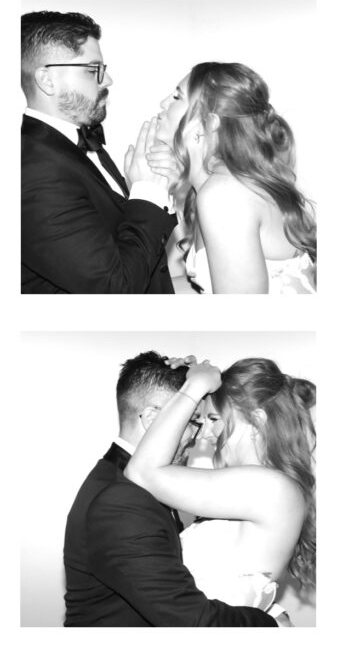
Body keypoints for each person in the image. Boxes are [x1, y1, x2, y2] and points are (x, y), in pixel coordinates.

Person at [63, 350, 278, 626]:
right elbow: (192, 621)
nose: (200, 436)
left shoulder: (128, 484)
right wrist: (271, 625)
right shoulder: (121, 500)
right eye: (193, 421)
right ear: (153, 419)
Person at [125, 357, 316, 619]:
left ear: (257, 422)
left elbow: (141, 472)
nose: (204, 434)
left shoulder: (269, 488)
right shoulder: (260, 486)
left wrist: (194, 387)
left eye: (214, 418)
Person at [21, 10, 178, 293]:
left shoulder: (76, 142)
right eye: (93, 70)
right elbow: (113, 288)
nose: (107, 81)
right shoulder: (33, 170)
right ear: (47, 80)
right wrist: (147, 194)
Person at [146, 61, 316, 293]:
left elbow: (242, 322)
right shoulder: (213, 189)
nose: (163, 103)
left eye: (177, 97)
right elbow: (198, 290)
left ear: (208, 124)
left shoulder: (224, 194)